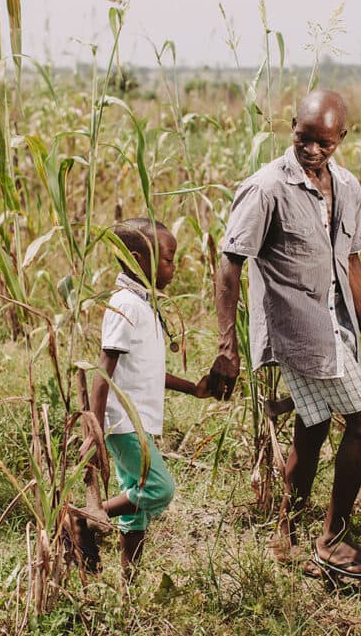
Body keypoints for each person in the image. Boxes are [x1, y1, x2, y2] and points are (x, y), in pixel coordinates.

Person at [207, 89, 361, 579]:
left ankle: (285, 531)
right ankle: (331, 541)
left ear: (342, 139)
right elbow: (229, 263)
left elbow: (351, 262)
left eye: (324, 144)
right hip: (298, 330)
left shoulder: (347, 187)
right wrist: (227, 346)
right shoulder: (267, 187)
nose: (312, 151)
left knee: (311, 429)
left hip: (338, 326)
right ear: (292, 126)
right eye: (303, 138)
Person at [74, 217, 210, 579]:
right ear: (137, 260)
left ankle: (129, 579)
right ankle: (81, 520)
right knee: (158, 489)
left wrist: (193, 389)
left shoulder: (144, 304)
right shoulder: (125, 305)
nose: (174, 266)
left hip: (136, 419)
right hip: (122, 421)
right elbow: (105, 368)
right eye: (168, 258)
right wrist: (95, 429)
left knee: (135, 500)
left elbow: (145, 369)